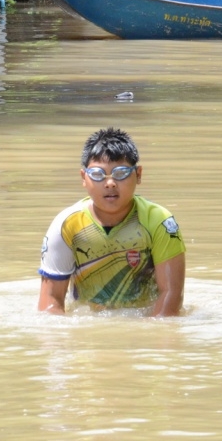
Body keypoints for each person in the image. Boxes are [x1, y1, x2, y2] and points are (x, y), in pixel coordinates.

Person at [38, 128, 185, 317]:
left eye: (121, 173)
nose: (110, 183)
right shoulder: (66, 225)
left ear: (138, 174)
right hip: (87, 320)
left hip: (143, 319)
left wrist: (148, 334)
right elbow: (50, 303)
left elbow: (171, 296)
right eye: (98, 174)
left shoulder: (159, 222)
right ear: (84, 178)